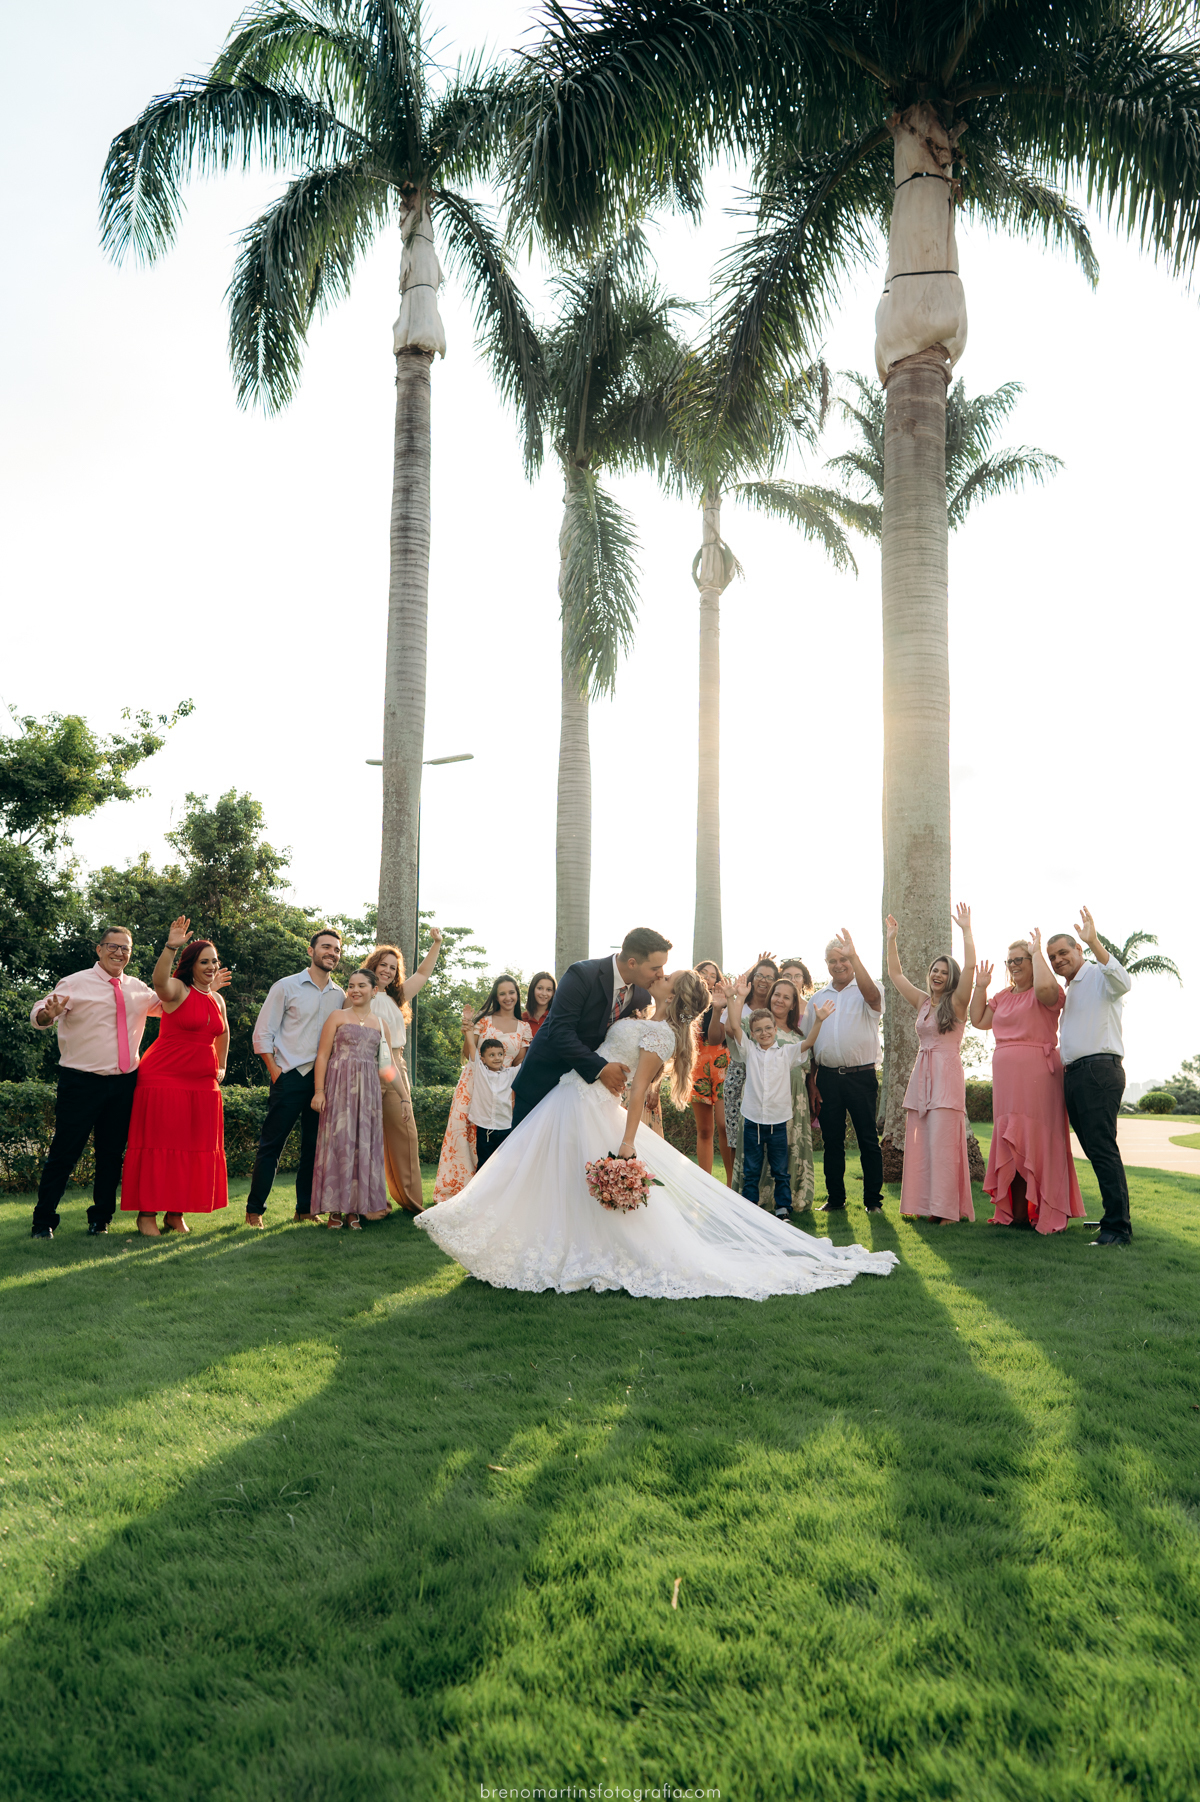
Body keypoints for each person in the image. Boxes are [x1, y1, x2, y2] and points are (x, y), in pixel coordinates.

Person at [416, 964, 897, 1298]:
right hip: (570, 1097)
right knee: (537, 1171)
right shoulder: (643, 1017)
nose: (658, 978)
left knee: (545, 1172)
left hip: (591, 1108)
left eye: (666, 977)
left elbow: (637, 1089)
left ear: (675, 994)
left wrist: (627, 1144)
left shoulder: (660, 1035)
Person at [28, 926, 173, 1239]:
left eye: (125, 948)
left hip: (124, 1084)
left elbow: (170, 1006)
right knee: (64, 1153)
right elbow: (41, 1013)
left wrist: (204, 988)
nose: (119, 953)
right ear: (99, 949)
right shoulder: (75, 982)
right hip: (81, 1083)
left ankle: (100, 1220)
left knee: (110, 1155)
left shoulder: (138, 989)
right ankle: (43, 1222)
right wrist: (47, 1015)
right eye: (113, 946)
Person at [121, 918, 231, 1236]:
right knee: (161, 1146)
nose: (211, 966)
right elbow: (159, 980)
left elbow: (223, 1034)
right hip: (164, 1080)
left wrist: (220, 1066)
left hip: (202, 1085)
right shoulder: (177, 990)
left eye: (214, 961)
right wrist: (171, 946)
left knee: (192, 1148)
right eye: (204, 961)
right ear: (191, 965)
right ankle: (146, 1215)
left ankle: (175, 1213)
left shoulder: (217, 998)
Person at [971, 930, 1084, 1234]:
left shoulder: (1046, 991)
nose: (1013, 965)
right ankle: (1017, 1211)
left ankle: (1047, 1209)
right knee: (1011, 1139)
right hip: (1007, 1081)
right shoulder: (1002, 997)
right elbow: (978, 1019)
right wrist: (980, 987)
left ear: (1033, 961)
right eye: (1009, 961)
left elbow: (1047, 989)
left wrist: (1036, 952)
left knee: (1038, 1137)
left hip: (1039, 1076)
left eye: (1019, 959)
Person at [509, 928, 667, 1128]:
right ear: (632, 962)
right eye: (656, 967)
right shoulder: (582, 974)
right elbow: (560, 1032)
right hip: (544, 1080)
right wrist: (600, 1068)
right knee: (525, 1155)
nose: (661, 974)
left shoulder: (643, 995)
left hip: (586, 1096)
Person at [245, 930, 346, 1228]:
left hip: (322, 1084)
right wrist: (276, 1072)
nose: (332, 953)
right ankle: (254, 1210)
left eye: (337, 949)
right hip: (288, 1077)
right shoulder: (286, 986)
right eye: (326, 947)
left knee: (313, 1149)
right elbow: (262, 1033)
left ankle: (304, 1209)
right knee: (271, 1146)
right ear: (310, 951)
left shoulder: (340, 995)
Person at [1048, 908, 1133, 1247]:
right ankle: (1113, 1217)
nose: (1058, 960)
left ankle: (1118, 1229)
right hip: (1077, 1077)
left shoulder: (1098, 975)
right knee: (1097, 1150)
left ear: (1078, 951)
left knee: (1102, 1149)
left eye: (1063, 953)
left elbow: (1123, 981)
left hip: (1098, 1072)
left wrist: (1094, 940)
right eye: (1052, 957)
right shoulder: (1070, 992)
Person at [886, 905, 976, 1226]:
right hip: (921, 1076)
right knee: (922, 1142)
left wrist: (966, 930)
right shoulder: (923, 1002)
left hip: (946, 1076)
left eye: (943, 971)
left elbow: (969, 968)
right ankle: (925, 1205)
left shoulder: (957, 1002)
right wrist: (891, 939)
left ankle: (948, 1211)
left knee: (943, 1145)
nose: (937, 975)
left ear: (949, 977)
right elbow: (896, 975)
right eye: (934, 970)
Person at [725, 973, 835, 1218]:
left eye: (768, 1029)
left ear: (776, 1029)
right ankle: (749, 1208)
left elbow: (808, 1044)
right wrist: (736, 997)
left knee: (780, 1169)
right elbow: (734, 1026)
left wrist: (818, 1021)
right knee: (752, 1169)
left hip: (778, 1121)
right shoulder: (750, 1052)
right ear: (752, 1033)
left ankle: (783, 1208)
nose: (764, 1033)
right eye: (758, 1030)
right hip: (753, 1120)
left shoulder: (786, 1052)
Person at [361, 928, 443, 1215]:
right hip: (367, 1066)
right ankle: (372, 1205)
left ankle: (413, 1203)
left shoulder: (397, 997)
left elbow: (422, 973)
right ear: (372, 966)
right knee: (369, 1137)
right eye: (383, 964)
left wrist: (437, 943)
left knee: (405, 1133)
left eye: (393, 968)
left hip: (395, 1066)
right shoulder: (360, 993)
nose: (387, 970)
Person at [803, 930, 886, 1214]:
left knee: (867, 1139)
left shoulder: (867, 988)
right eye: (832, 960)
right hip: (827, 1079)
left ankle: (873, 1202)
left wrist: (855, 956)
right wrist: (812, 1083)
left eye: (844, 959)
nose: (838, 965)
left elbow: (874, 998)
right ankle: (836, 1200)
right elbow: (810, 1044)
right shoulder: (817, 998)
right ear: (825, 963)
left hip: (861, 1077)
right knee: (832, 1142)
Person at [434, 975, 530, 1201]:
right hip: (474, 1082)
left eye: (512, 992)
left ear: (518, 995)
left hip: (504, 1087)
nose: (508, 997)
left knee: (498, 1140)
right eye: (502, 993)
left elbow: (519, 1063)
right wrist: (467, 1029)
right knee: (464, 1135)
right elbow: (470, 1054)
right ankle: (461, 1190)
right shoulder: (484, 1021)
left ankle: (495, 1192)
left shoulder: (524, 1027)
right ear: (496, 997)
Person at [310, 968, 392, 1229]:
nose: (355, 990)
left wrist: (400, 1096)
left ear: (374, 990)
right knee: (337, 1145)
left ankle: (354, 1210)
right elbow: (322, 1055)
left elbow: (387, 1066)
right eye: (351, 985)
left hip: (368, 1094)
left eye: (362, 986)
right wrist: (319, 1092)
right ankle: (334, 1208)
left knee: (362, 1147)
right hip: (337, 1089)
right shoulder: (337, 1016)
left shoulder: (381, 1024)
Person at [710, 954, 779, 1171]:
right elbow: (715, 1038)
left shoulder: (776, 1009)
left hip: (770, 1076)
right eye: (759, 975)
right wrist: (721, 1007)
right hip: (739, 1074)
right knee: (735, 1135)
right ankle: (734, 1187)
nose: (764, 980)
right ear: (752, 978)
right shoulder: (737, 1003)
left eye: (770, 977)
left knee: (768, 1137)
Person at [689, 962, 732, 1182]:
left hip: (722, 1066)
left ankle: (732, 1183)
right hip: (697, 1070)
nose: (707, 977)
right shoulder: (686, 1004)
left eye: (712, 975)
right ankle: (705, 1184)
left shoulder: (723, 1003)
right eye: (702, 973)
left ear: (718, 980)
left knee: (725, 1126)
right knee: (704, 1130)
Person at [464, 1020, 520, 1168]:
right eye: (492, 1055)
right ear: (483, 1059)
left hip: (505, 1128)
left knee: (504, 1166)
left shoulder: (510, 1073)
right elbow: (471, 1046)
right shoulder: (480, 1071)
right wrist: (469, 1028)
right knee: (484, 1166)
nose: (497, 1058)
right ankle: (482, 1191)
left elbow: (529, 1062)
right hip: (485, 1128)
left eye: (500, 1054)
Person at [523, 972, 557, 1038]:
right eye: (540, 988)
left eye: (549, 990)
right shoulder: (522, 1019)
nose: (544, 993)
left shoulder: (556, 1018)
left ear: (553, 993)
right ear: (532, 989)